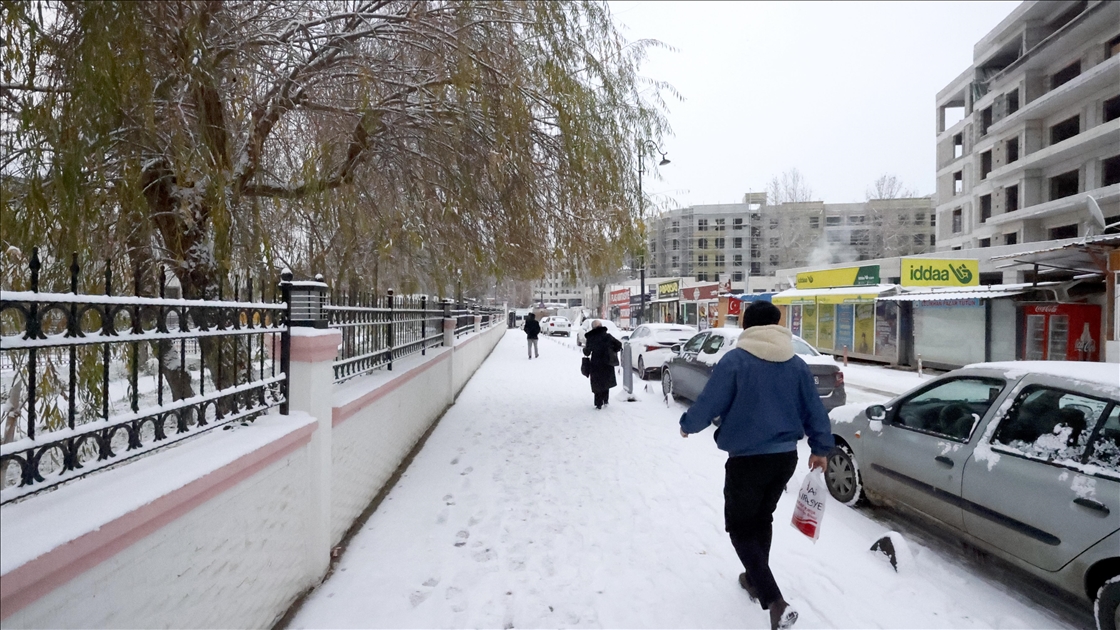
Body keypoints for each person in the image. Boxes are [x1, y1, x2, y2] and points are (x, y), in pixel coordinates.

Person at [678, 301, 833, 630]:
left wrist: (688, 425)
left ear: (747, 326)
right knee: (761, 518)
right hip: (784, 458)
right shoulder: (796, 364)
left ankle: (775, 600)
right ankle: (753, 578)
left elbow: (710, 400)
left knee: (739, 526)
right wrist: (820, 448)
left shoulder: (736, 360)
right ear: (777, 326)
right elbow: (815, 410)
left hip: (748, 459)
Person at [582, 320, 622, 409]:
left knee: (597, 382)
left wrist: (585, 349)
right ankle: (606, 400)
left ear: (593, 327)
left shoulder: (591, 337)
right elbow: (618, 345)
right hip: (607, 362)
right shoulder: (607, 336)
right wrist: (612, 350)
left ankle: (598, 403)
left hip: (595, 363)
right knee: (606, 381)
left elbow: (587, 352)